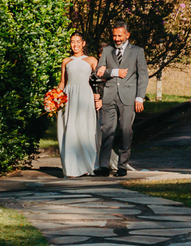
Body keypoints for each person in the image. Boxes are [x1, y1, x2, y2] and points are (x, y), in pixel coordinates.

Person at [94, 20, 148, 177]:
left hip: (128, 97)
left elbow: (143, 76)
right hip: (109, 96)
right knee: (106, 130)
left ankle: (122, 166)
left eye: (119, 36)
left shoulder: (137, 51)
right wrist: (114, 72)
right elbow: (98, 72)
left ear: (127, 35)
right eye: (114, 36)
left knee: (125, 131)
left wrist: (139, 97)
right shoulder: (107, 51)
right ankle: (104, 166)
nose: (116, 39)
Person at [56, 32, 101, 177]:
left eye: (77, 41)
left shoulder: (91, 60)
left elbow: (100, 80)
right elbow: (62, 82)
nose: (75, 44)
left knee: (84, 129)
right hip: (69, 96)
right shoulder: (66, 61)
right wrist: (56, 98)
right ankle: (71, 168)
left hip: (84, 96)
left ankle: (87, 166)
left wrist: (99, 96)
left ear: (83, 43)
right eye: (72, 42)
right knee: (71, 130)